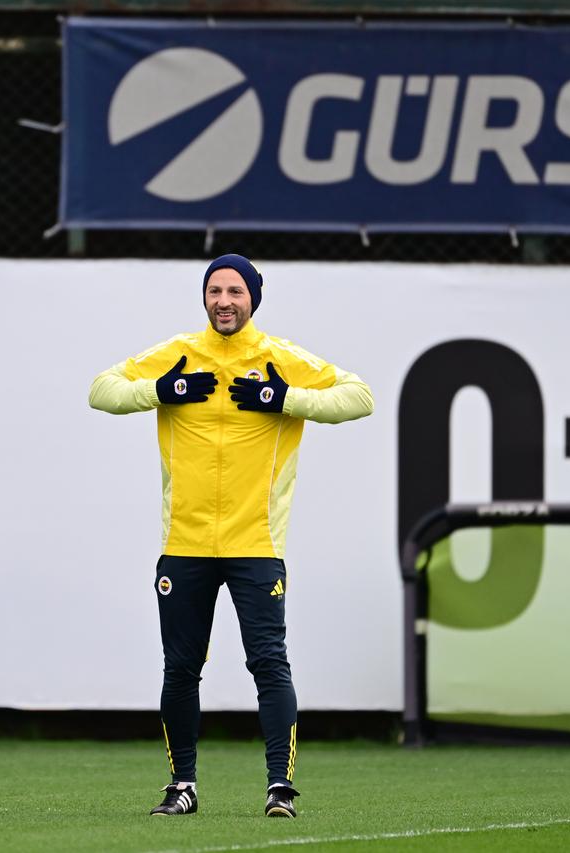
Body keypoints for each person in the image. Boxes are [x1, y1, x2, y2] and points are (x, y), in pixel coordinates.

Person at [88, 254, 374, 818]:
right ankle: (182, 787)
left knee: (269, 664)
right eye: (215, 290)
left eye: (236, 291)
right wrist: (161, 391)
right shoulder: (179, 353)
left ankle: (279, 789)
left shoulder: (279, 359)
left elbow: (360, 397)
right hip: (186, 544)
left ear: (254, 299)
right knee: (180, 668)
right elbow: (102, 390)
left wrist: (284, 399)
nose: (224, 300)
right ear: (204, 297)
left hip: (256, 545)